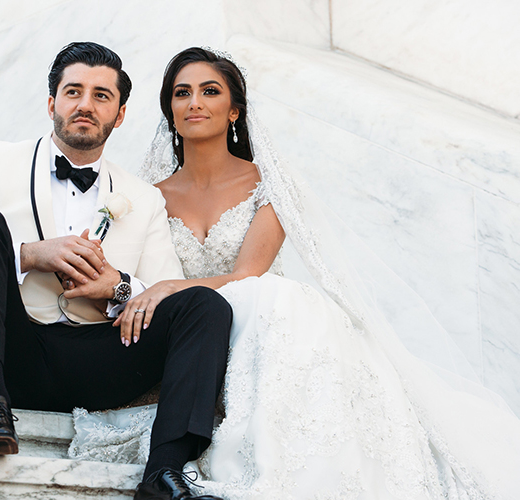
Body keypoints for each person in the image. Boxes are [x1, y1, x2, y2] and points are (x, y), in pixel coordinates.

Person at [68, 47, 520, 499]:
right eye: (182, 93)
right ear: (170, 109)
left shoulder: (269, 185)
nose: (194, 103)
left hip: (257, 326)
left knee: (280, 299)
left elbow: (249, 274)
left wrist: (171, 287)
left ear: (234, 111)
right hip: (189, 335)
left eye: (210, 91)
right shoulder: (147, 196)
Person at [0, 42, 233, 500]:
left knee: (204, 304)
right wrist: (27, 255)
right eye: (73, 92)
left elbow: (167, 291)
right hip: (1, 354)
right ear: (51, 104)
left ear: (119, 114)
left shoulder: (143, 197)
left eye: (102, 96)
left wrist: (117, 287)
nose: (85, 105)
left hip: (92, 362)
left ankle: (164, 471)